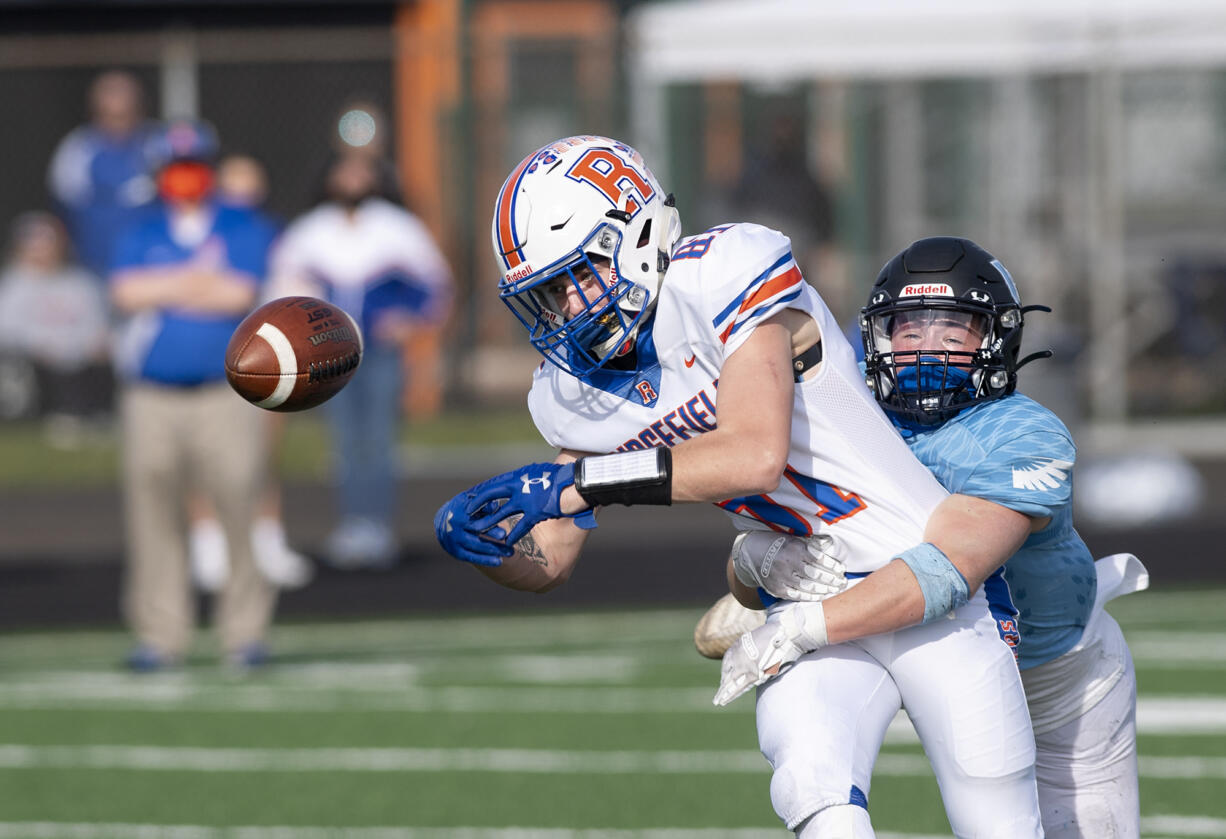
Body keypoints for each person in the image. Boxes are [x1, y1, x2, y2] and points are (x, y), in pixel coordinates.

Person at [433, 135, 1043, 838]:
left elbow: (754, 453)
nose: (565, 309)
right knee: (811, 776)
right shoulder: (572, 393)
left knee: (1000, 820)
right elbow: (553, 557)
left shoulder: (722, 271)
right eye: (545, 295)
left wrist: (576, 482)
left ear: (631, 237)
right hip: (808, 599)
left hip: (926, 581)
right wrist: (490, 548)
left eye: (576, 276)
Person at [705, 236, 1147, 838]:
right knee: (812, 753)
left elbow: (948, 571)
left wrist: (803, 623)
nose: (925, 347)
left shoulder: (1021, 433)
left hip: (1056, 678)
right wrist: (753, 561)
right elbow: (769, 569)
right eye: (908, 329)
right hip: (906, 641)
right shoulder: (844, 409)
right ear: (878, 337)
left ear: (995, 338)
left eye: (952, 329)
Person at [109, 118, 277, 672]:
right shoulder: (140, 229)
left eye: (194, 167)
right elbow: (126, 292)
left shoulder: (241, 224)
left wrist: (169, 286)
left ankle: (244, 634)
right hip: (152, 395)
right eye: (175, 169)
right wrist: (195, 279)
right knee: (152, 513)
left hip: (225, 392)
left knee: (238, 504)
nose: (185, 177)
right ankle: (161, 635)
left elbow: (238, 293)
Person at [267, 149, 452, 569]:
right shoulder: (309, 232)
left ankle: (378, 529)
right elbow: (281, 290)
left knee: (380, 441)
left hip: (381, 354)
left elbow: (437, 286)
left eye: (361, 171)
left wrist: (412, 321)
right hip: (329, 356)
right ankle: (352, 526)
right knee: (345, 443)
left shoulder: (398, 227)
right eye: (344, 170)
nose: (353, 179)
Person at [0, 212, 113, 442]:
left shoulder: (81, 282)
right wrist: (40, 344)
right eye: (34, 243)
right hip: (35, 362)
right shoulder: (12, 284)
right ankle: (51, 417)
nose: (42, 249)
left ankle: (95, 416)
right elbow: (6, 330)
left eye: (48, 242)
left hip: (80, 359)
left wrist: (93, 344)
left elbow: (98, 326)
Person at [47, 70, 162, 280]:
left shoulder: (158, 144)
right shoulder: (78, 148)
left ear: (139, 102)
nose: (116, 100)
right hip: (93, 265)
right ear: (95, 105)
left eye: (122, 93)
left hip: (154, 268)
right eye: (109, 93)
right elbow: (63, 209)